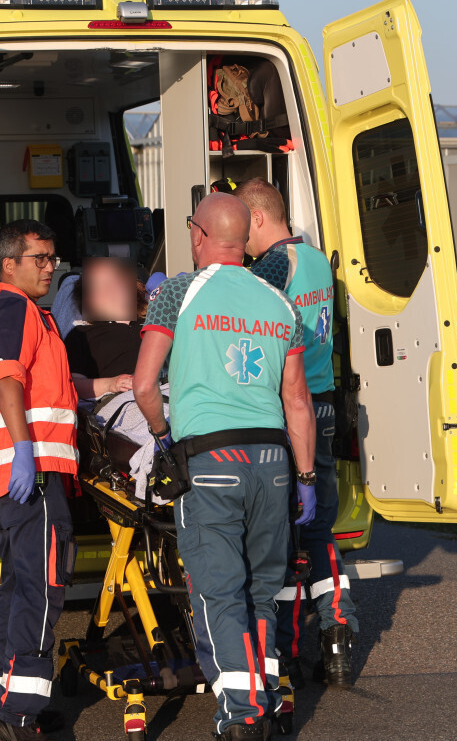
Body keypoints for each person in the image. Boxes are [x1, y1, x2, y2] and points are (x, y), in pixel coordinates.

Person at [132, 192, 317, 740]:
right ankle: (264, 696)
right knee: (263, 592)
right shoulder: (278, 303)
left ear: (198, 234)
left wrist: (164, 438)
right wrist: (305, 478)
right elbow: (298, 402)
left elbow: (144, 386)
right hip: (274, 462)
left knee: (217, 593)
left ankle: (242, 715)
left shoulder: (177, 293)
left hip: (210, 460)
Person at [237, 177, 359, 690]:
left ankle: (282, 656)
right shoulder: (314, 261)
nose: (240, 240)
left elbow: (244, 325)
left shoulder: (272, 265)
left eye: (243, 228)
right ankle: (337, 634)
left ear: (259, 218)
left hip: (292, 411)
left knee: (279, 540)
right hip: (325, 403)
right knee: (320, 531)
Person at [0, 219, 78, 741]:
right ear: (9, 263)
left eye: (53, 257)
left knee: (19, 588)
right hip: (29, 474)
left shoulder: (29, 314)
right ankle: (20, 711)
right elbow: (7, 375)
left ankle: (10, 696)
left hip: (24, 475)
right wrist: (22, 450)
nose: (50, 266)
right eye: (39, 257)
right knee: (43, 588)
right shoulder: (13, 306)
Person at [63, 256, 146, 399]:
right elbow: (73, 384)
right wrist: (111, 384)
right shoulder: (81, 334)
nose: (109, 291)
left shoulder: (155, 324)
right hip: (122, 401)